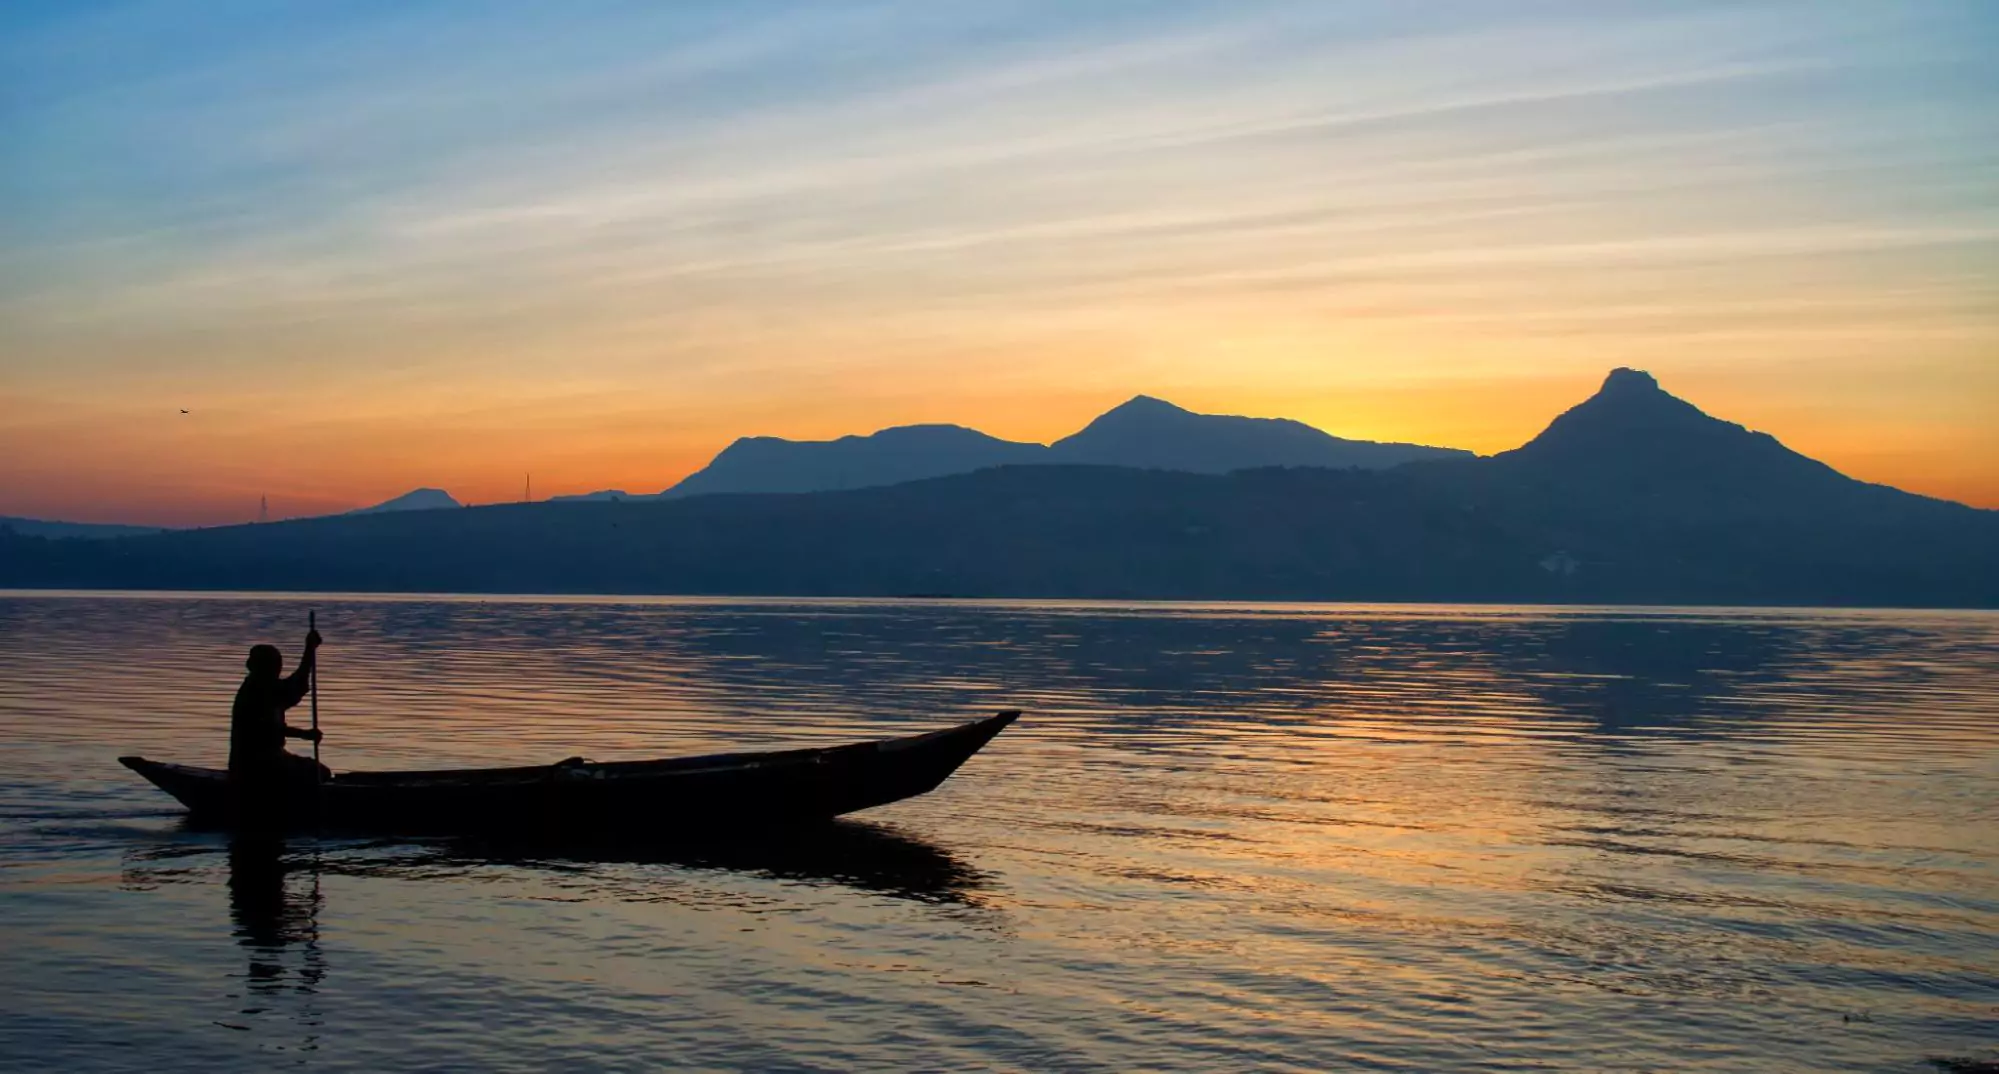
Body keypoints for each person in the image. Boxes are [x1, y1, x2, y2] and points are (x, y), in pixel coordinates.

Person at [229, 628, 330, 812]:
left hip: (272, 758)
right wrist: (303, 734)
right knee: (316, 773)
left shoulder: (267, 687)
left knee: (320, 772)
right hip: (257, 765)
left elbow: (294, 686)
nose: (278, 670)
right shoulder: (255, 691)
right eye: (275, 665)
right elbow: (267, 729)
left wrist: (309, 650)